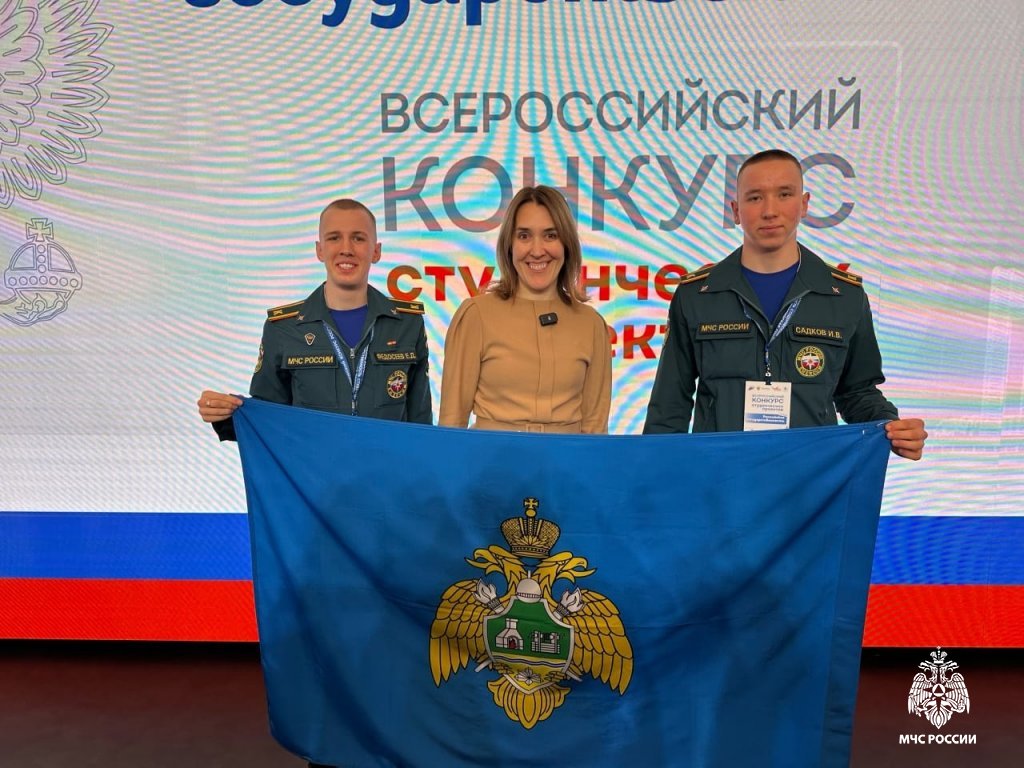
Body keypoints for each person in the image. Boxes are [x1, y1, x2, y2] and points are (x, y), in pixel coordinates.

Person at [643, 149, 927, 460]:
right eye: (755, 198)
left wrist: (891, 427)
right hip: (722, 476)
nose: (770, 211)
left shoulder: (844, 296)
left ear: (804, 204)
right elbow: (669, 407)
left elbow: (857, 392)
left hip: (810, 475)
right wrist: (655, 475)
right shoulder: (696, 295)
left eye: (784, 194)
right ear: (736, 211)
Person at [198, 198, 431, 439]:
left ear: (376, 251)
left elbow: (420, 421)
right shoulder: (283, 328)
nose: (346, 249)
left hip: (385, 463)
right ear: (320, 250)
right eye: (334, 238)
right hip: (311, 465)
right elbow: (268, 420)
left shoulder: (408, 324)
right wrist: (227, 414)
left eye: (358, 238)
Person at [438, 185, 611, 433]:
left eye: (551, 235)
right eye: (524, 236)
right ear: (509, 245)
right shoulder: (476, 315)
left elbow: (595, 429)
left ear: (566, 244)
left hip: (566, 458)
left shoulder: (591, 324)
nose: (537, 251)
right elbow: (451, 424)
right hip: (491, 457)